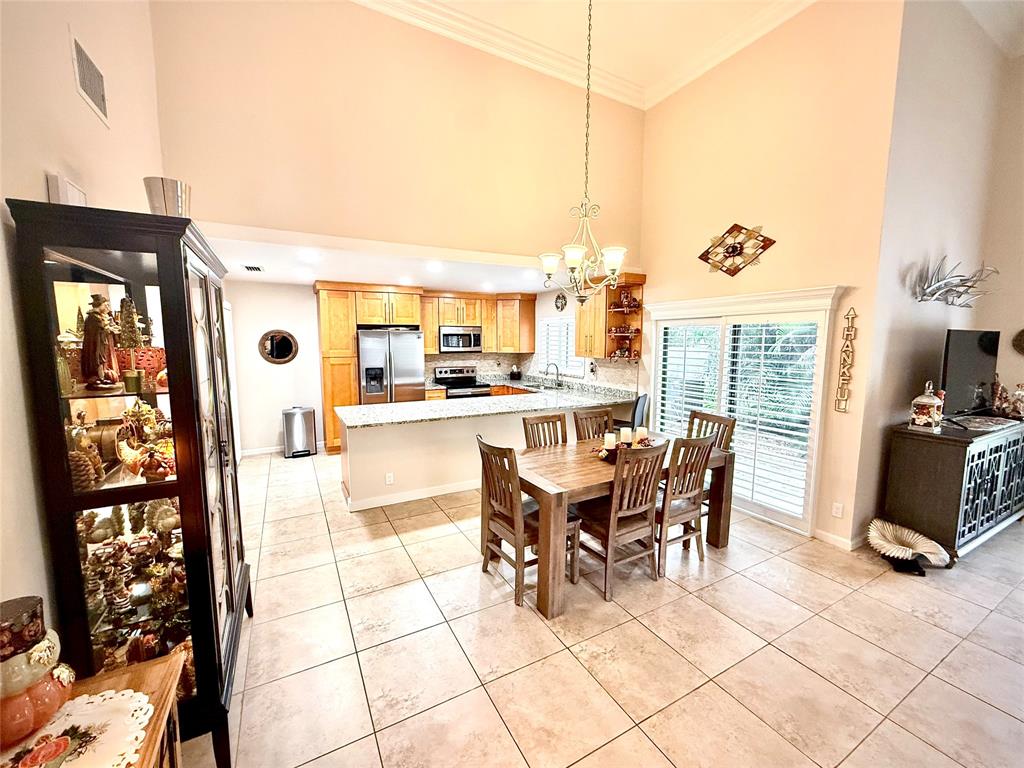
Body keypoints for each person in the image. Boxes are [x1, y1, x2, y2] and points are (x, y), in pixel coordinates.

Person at [81, 294, 120, 389]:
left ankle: (101, 377)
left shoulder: (100, 317)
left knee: (101, 360)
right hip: (94, 346)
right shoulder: (93, 318)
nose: (107, 307)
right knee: (96, 360)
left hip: (100, 344)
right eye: (105, 305)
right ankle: (96, 378)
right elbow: (98, 329)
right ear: (99, 305)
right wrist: (107, 328)